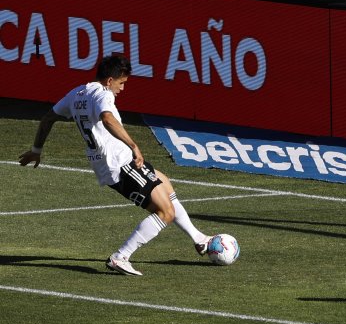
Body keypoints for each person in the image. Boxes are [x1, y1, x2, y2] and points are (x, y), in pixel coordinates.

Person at [18, 54, 211, 276]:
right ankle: (121, 257)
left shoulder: (77, 94)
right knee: (165, 211)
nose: (122, 88)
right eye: (121, 83)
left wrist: (36, 150)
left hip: (112, 162)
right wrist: (134, 145)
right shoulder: (103, 94)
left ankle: (199, 238)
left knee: (164, 183)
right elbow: (108, 119)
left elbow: (47, 118)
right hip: (119, 163)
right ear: (110, 80)